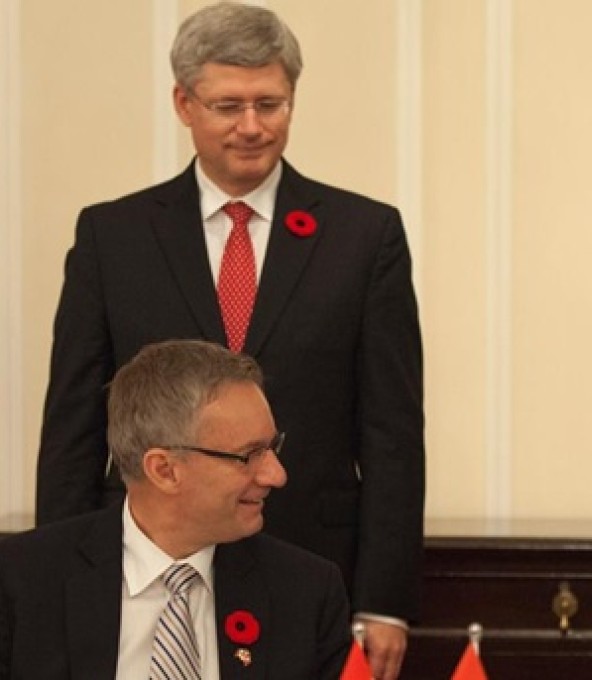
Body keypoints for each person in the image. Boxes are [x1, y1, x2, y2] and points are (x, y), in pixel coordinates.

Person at [34, 4, 423, 678]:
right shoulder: (113, 236)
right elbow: (73, 423)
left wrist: (384, 601)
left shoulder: (365, 236)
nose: (251, 126)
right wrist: (54, 578)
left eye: (269, 103)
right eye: (228, 105)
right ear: (184, 103)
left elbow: (391, 430)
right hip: (145, 560)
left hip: (313, 559)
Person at [2, 340, 350, 678]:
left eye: (273, 447)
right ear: (164, 470)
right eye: (249, 455)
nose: (276, 475)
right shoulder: (22, 582)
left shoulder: (307, 593)